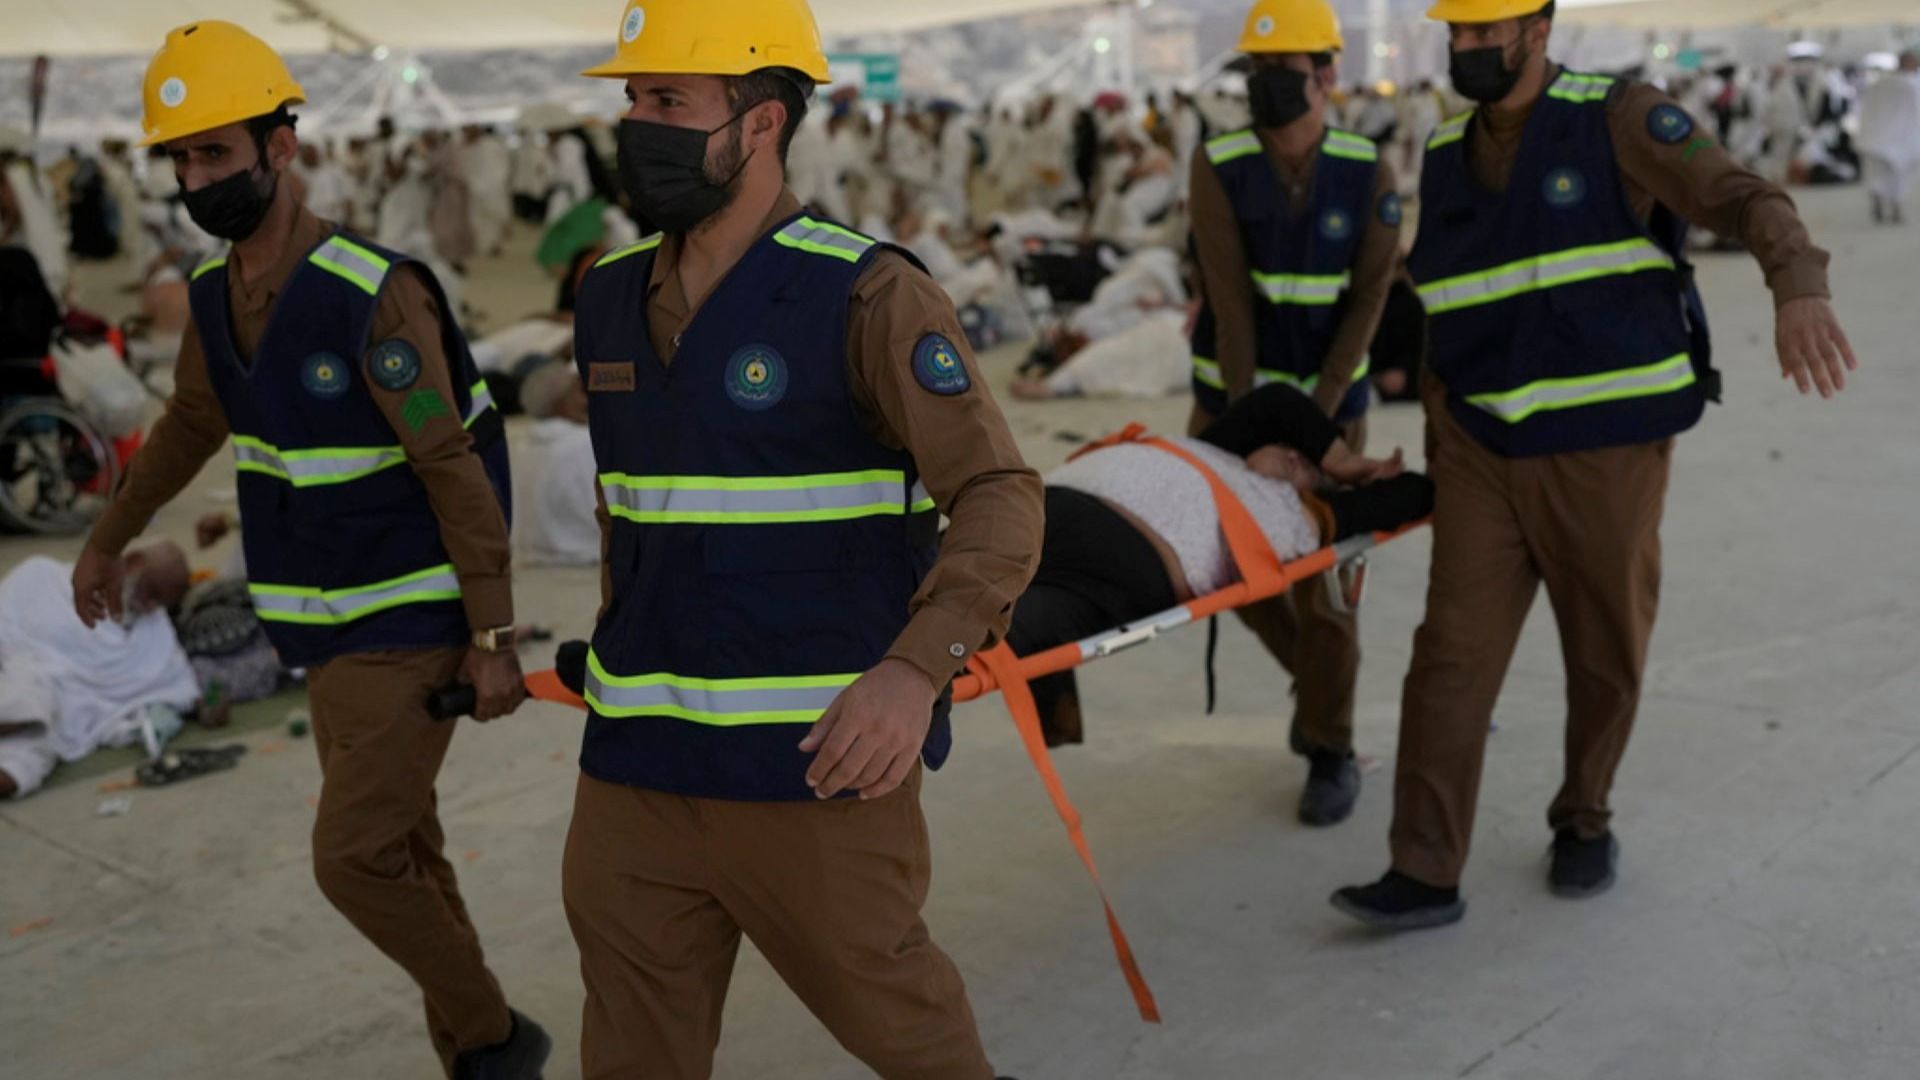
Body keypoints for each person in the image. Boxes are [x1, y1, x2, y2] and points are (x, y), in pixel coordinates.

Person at [559, 2, 1044, 1076]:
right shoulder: (604, 298)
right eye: (633, 99)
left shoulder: (867, 294)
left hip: (815, 772)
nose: (636, 125)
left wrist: (919, 672)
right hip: (635, 770)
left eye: (668, 101)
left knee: (913, 1041)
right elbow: (634, 520)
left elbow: (1002, 494)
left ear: (762, 121)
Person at [66, 22, 549, 1077]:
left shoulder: (369, 292)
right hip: (321, 631)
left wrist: (493, 634)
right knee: (405, 849)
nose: (198, 179)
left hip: (407, 624)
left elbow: (453, 465)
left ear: (281, 146)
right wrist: (107, 537)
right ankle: (475, 1051)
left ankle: (495, 1039)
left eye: (217, 154)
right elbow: (194, 420)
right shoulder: (212, 295)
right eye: (182, 159)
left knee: (351, 862)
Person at [1332, 0, 1858, 931]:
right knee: (1448, 660)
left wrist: (1797, 286)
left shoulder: (1617, 118)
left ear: (1537, 32)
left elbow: (1747, 196)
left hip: (1605, 453)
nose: (1465, 48)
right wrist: (1433, 431)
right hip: (1485, 456)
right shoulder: (1450, 152)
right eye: (1455, 33)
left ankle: (1584, 816)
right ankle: (1423, 868)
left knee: (1603, 655)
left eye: (1482, 33)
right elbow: (1448, 301)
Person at [1186, 0, 1401, 827]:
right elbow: (1228, 299)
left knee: (1330, 590)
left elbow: (1370, 297)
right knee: (1224, 569)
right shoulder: (1220, 162)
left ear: (1327, 77)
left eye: (1286, 74)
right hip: (1228, 407)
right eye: (1260, 75)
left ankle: (1330, 747)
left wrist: (1311, 425)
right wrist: (1253, 425)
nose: (1270, 90)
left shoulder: (1365, 169)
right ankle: (1316, 689)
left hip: (1332, 411)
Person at [1007, 384, 1430, 745]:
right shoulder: (1216, 450)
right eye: (1288, 448)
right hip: (1047, 506)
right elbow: (1278, 402)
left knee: (996, 629)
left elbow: (1417, 493)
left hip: (1126, 561)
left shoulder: (1302, 519)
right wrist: (1339, 459)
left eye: (1304, 466)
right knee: (959, 564)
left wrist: (1347, 478)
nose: (1293, 457)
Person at [0, 544, 198, 800]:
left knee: (24, 764)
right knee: (28, 696)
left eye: (159, 602)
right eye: (150, 592)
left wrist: (204, 706)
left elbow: (180, 683)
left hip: (65, 716)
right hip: (17, 679)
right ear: (132, 563)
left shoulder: (153, 628)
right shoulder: (42, 577)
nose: (149, 606)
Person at [509, 361, 600, 566]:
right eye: (580, 393)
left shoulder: (521, 446)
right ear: (562, 403)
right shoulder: (584, 443)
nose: (588, 401)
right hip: (581, 564)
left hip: (533, 565)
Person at [1858, 49, 1920, 225]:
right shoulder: (1911, 85)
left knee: (1877, 176)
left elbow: (1864, 111)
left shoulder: (1878, 84)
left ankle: (1880, 202)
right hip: (1902, 141)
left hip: (1874, 139)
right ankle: (1895, 207)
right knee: (1898, 177)